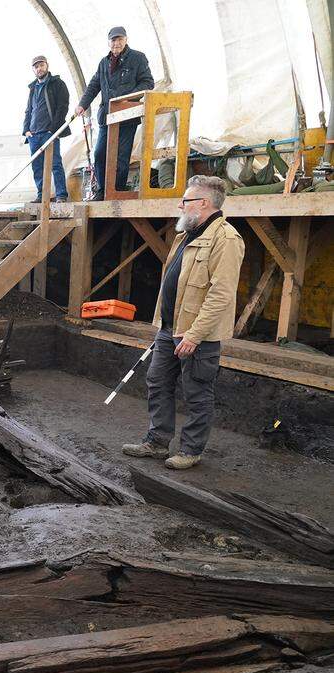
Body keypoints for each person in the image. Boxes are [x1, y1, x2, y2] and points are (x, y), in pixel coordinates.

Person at [121, 176, 243, 470]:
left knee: (197, 391)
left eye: (186, 200)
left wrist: (195, 335)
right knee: (158, 381)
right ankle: (157, 441)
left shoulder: (226, 239)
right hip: (169, 329)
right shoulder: (186, 235)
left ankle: (190, 451)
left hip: (197, 335)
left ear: (203, 204)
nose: (180, 205)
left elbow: (221, 294)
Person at [75, 26, 154, 199]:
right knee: (100, 153)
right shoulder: (104, 62)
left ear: (126, 39)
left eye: (120, 39)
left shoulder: (137, 58)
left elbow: (148, 83)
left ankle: (117, 191)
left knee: (121, 156)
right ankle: (103, 190)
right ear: (109, 42)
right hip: (106, 116)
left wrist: (127, 98)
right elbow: (94, 85)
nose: (116, 43)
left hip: (127, 115)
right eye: (113, 40)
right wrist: (82, 104)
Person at [23, 55, 71, 203]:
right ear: (33, 69)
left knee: (55, 164)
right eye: (36, 66)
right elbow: (28, 110)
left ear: (47, 65)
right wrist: (26, 130)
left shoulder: (57, 83)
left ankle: (61, 195)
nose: (39, 68)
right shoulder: (33, 88)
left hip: (49, 132)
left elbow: (63, 106)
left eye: (41, 65)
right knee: (37, 167)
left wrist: (53, 130)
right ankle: (42, 195)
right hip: (34, 134)